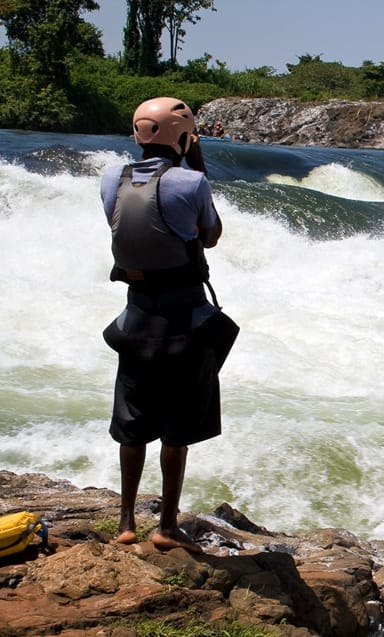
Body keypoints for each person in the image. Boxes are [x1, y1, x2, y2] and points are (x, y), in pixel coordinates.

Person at [99, 97, 239, 554]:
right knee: (177, 429)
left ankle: (124, 522)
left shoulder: (111, 178)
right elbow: (210, 236)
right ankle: (166, 525)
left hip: (135, 317)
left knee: (133, 423)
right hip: (185, 321)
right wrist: (195, 159)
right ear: (182, 135)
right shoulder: (191, 181)